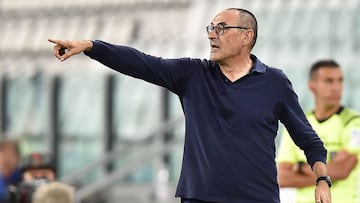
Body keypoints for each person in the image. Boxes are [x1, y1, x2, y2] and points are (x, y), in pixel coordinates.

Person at [48, 8, 331, 203]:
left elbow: (309, 141)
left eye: (221, 28)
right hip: (199, 197)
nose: (211, 34)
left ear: (247, 36)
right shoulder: (193, 75)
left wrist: (322, 181)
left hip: (257, 198)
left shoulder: (275, 83)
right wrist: (90, 46)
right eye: (210, 28)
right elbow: (142, 63)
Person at [277, 60, 360, 203]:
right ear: (312, 85)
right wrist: (327, 169)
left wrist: (301, 167)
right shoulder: (298, 123)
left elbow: (342, 169)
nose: (336, 87)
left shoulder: (353, 122)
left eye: (339, 81)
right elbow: (282, 177)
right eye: (329, 81)